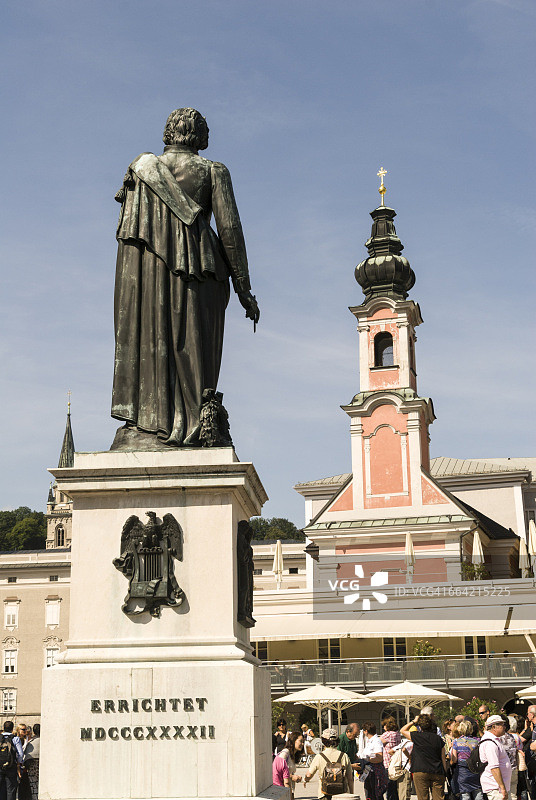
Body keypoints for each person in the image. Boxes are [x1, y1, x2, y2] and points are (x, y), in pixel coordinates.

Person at [111, 107, 260, 450]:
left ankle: (145, 423)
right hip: (199, 270)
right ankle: (193, 423)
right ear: (201, 137)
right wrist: (244, 288)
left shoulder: (142, 169)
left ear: (169, 133)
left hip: (147, 275)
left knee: (150, 341)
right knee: (195, 347)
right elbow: (230, 232)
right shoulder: (212, 171)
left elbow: (130, 239)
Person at [401, 713, 447, 800]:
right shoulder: (438, 739)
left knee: (422, 797)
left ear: (420, 726)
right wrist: (444, 773)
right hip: (436, 771)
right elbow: (443, 758)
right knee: (439, 798)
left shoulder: (416, 736)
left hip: (420, 770)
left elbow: (402, 730)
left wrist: (413, 721)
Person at [304, 727, 354, 799]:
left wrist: (305, 780)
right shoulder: (344, 756)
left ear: (323, 741)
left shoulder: (319, 756)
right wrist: (351, 793)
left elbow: (309, 774)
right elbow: (350, 778)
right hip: (342, 795)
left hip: (324, 794)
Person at [479, 715, 512, 800]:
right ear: (494, 727)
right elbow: (494, 767)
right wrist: (502, 788)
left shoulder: (494, 740)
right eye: (502, 725)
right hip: (495, 786)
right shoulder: (490, 743)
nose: (504, 727)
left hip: (498, 786)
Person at [450, 719, 482, 800]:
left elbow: (454, 759)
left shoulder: (456, 742)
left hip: (462, 772)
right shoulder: (478, 741)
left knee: (465, 795)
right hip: (475, 771)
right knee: (478, 792)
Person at [360, 721, 388, 800]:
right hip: (369, 771)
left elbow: (379, 757)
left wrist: (367, 760)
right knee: (369, 794)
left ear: (366, 731)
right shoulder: (370, 741)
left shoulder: (376, 741)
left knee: (375, 795)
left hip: (375, 772)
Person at [0, 721, 23, 800]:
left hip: (0, 767)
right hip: (11, 766)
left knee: (1, 789)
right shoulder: (15, 738)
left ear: (3, 728)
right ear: (12, 728)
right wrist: (18, 763)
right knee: (11, 790)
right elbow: (20, 754)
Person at [499, 715, 521, 800]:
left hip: (503, 770)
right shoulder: (512, 737)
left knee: (503, 795)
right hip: (514, 768)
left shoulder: (498, 739)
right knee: (513, 794)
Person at [278, 732, 304, 798]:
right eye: (300, 741)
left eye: (303, 742)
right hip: (282, 791)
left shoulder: (293, 755)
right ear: (293, 740)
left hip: (289, 790)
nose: (302, 744)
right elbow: (278, 771)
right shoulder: (285, 753)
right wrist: (292, 777)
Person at [381, 717, 401, 800]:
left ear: (387, 725)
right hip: (396, 762)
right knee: (394, 788)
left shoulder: (388, 734)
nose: (383, 727)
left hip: (387, 763)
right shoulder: (397, 733)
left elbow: (377, 743)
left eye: (384, 725)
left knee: (389, 787)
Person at [22, 724, 39, 800]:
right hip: (43, 764)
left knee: (34, 783)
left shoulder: (31, 741)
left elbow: (25, 754)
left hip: (31, 763)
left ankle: (35, 798)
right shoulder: (46, 740)